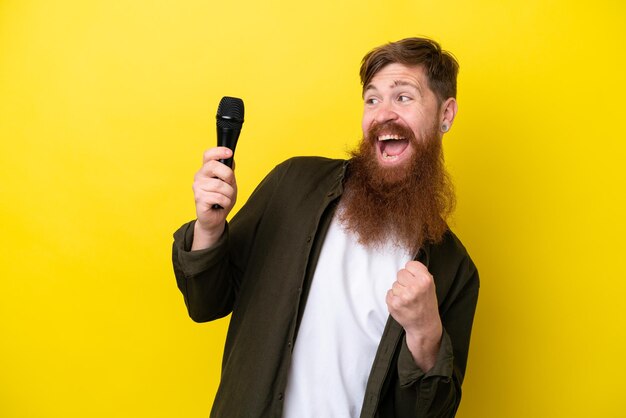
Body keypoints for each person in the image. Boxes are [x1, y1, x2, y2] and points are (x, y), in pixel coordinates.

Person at [172, 37, 479, 418]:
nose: (384, 113)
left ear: (445, 114)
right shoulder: (293, 184)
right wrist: (210, 226)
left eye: (403, 97)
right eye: (372, 99)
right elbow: (206, 301)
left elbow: (430, 413)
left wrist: (425, 333)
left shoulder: (454, 270)